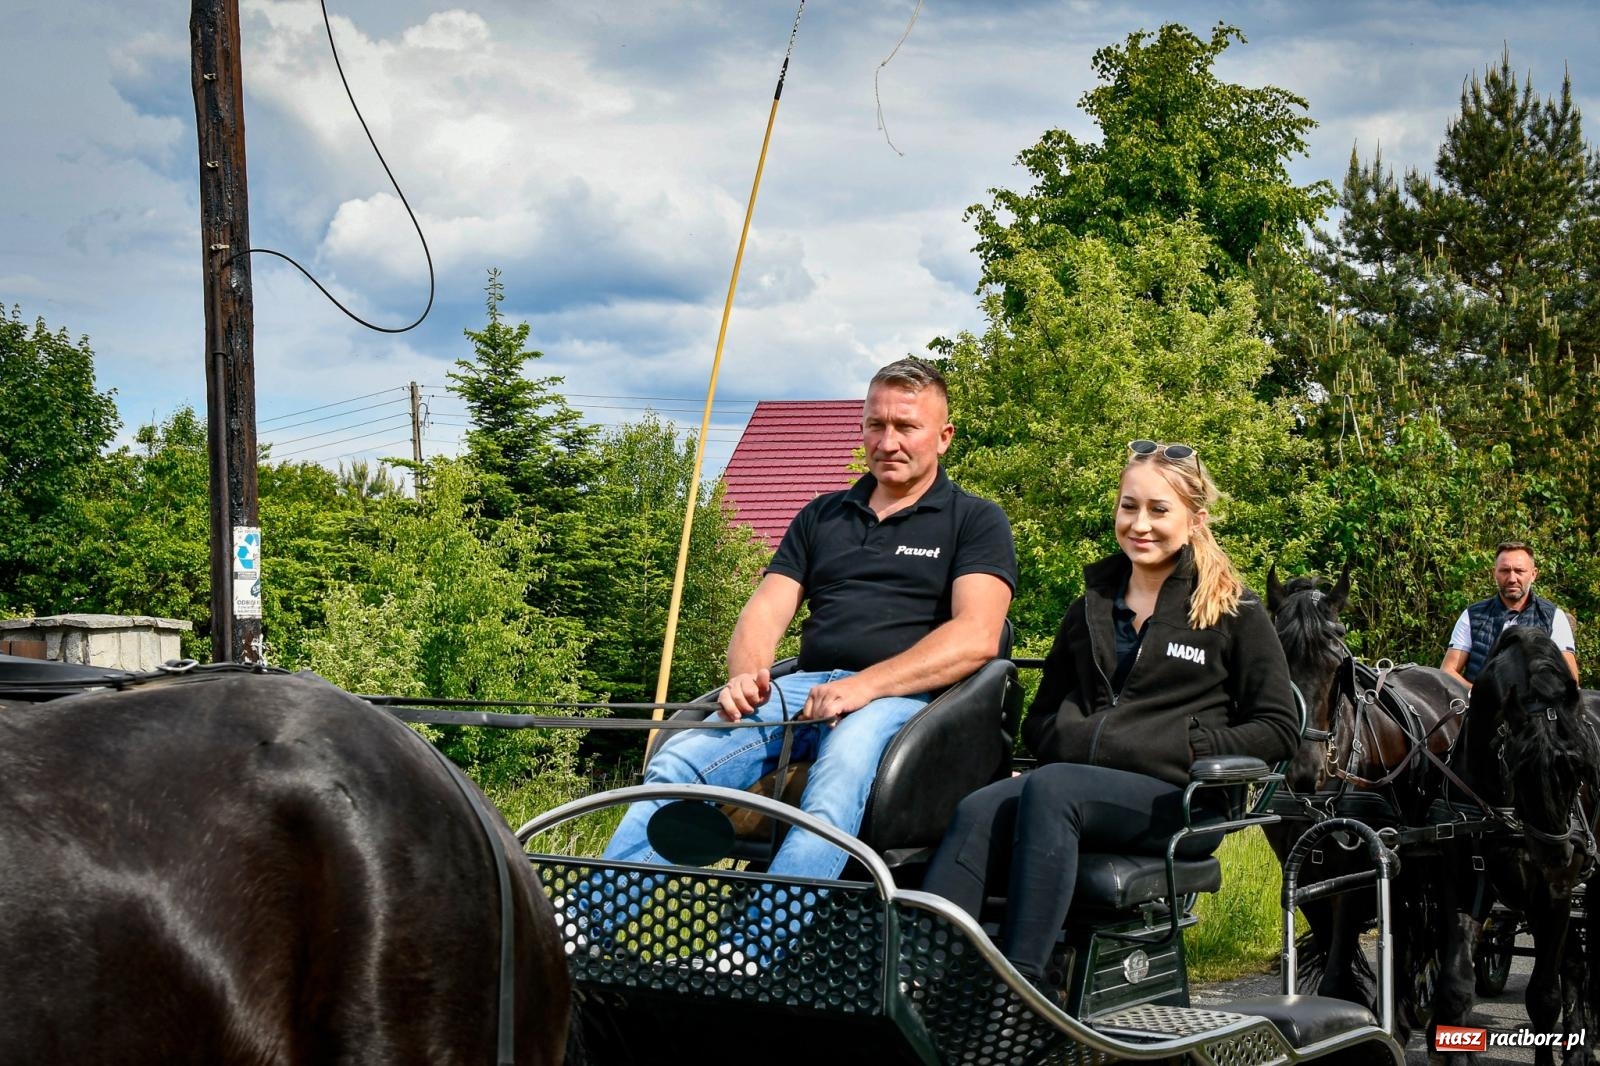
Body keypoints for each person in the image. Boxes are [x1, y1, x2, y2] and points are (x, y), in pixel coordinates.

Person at [601, 356, 1015, 895]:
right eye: (875, 424)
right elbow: (765, 609)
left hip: (908, 702)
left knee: (839, 774)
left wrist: (864, 687)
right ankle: (588, 921)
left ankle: (760, 937)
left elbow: (977, 636)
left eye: (906, 426)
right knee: (679, 759)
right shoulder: (822, 515)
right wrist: (746, 676)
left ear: (943, 437)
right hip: (804, 687)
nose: (888, 442)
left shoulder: (976, 520)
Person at [920, 440, 1299, 992]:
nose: (1140, 524)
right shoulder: (1089, 609)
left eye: (1159, 509)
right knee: (978, 808)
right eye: (1129, 506)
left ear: (1194, 520)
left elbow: (1279, 727)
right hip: (1077, 785)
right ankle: (924, 979)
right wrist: (1065, 737)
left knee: (1054, 790)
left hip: (1179, 803)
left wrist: (1193, 747)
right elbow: (1041, 716)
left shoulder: (1232, 611)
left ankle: (1023, 989)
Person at [1441, 541, 1579, 687]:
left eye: (1519, 571)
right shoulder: (1472, 615)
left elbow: (1570, 681)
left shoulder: (1554, 617)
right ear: (1494, 573)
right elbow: (1448, 671)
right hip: (1477, 700)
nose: (1512, 579)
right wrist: (1478, 694)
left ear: (1533, 574)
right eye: (1505, 571)